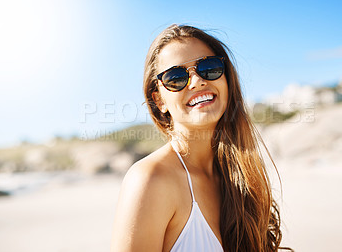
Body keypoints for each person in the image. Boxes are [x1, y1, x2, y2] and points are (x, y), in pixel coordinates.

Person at [110, 24, 286, 252]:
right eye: (176, 77)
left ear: (227, 79)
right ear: (159, 100)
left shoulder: (241, 178)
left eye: (209, 67)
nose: (196, 81)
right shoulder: (150, 179)